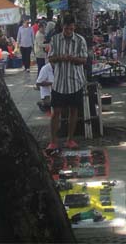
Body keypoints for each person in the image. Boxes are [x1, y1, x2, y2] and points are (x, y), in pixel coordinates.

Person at [47, 15, 88, 150]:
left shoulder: (80, 40)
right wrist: (61, 57)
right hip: (59, 82)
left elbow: (84, 60)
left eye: (71, 28)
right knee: (55, 112)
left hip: (75, 81)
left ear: (74, 27)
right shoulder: (55, 39)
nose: (68, 31)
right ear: (62, 27)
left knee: (73, 111)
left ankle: (70, 139)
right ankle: (53, 141)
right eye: (66, 29)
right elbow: (51, 58)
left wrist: (72, 58)